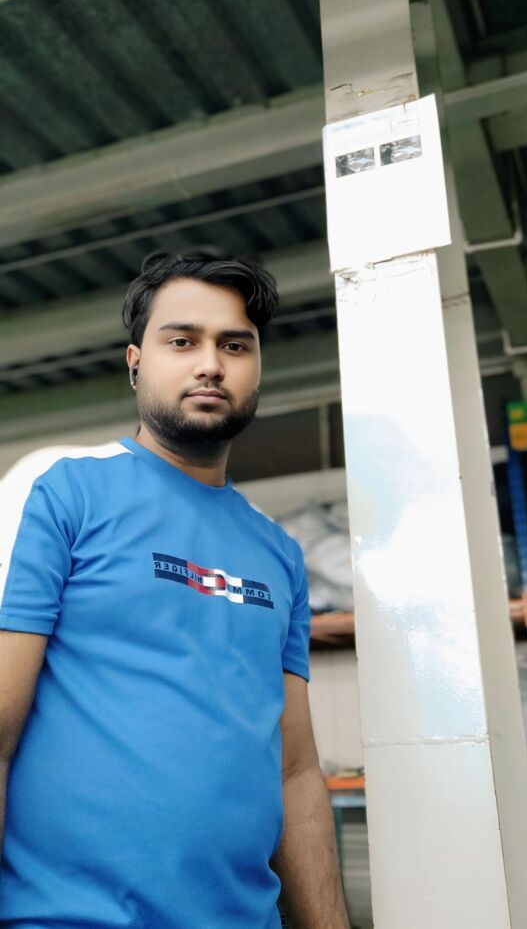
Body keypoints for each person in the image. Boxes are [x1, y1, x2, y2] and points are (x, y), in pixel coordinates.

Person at [0, 249, 350, 929]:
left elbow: (296, 771)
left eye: (235, 345)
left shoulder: (277, 553)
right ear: (136, 361)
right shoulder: (62, 490)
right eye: (182, 341)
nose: (211, 363)